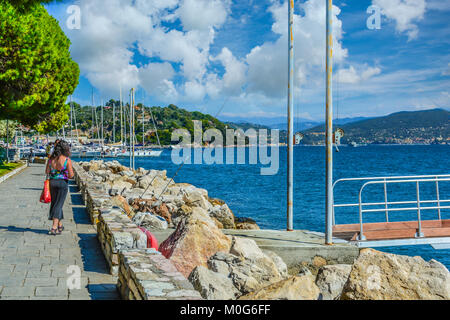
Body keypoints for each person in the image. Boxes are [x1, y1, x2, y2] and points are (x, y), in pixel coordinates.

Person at [45, 140, 74, 235]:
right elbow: (71, 175)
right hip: (62, 184)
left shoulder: (51, 159)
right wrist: (63, 174)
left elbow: (47, 171)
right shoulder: (66, 160)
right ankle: (54, 228)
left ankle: (60, 225)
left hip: (52, 183)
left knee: (56, 203)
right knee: (59, 204)